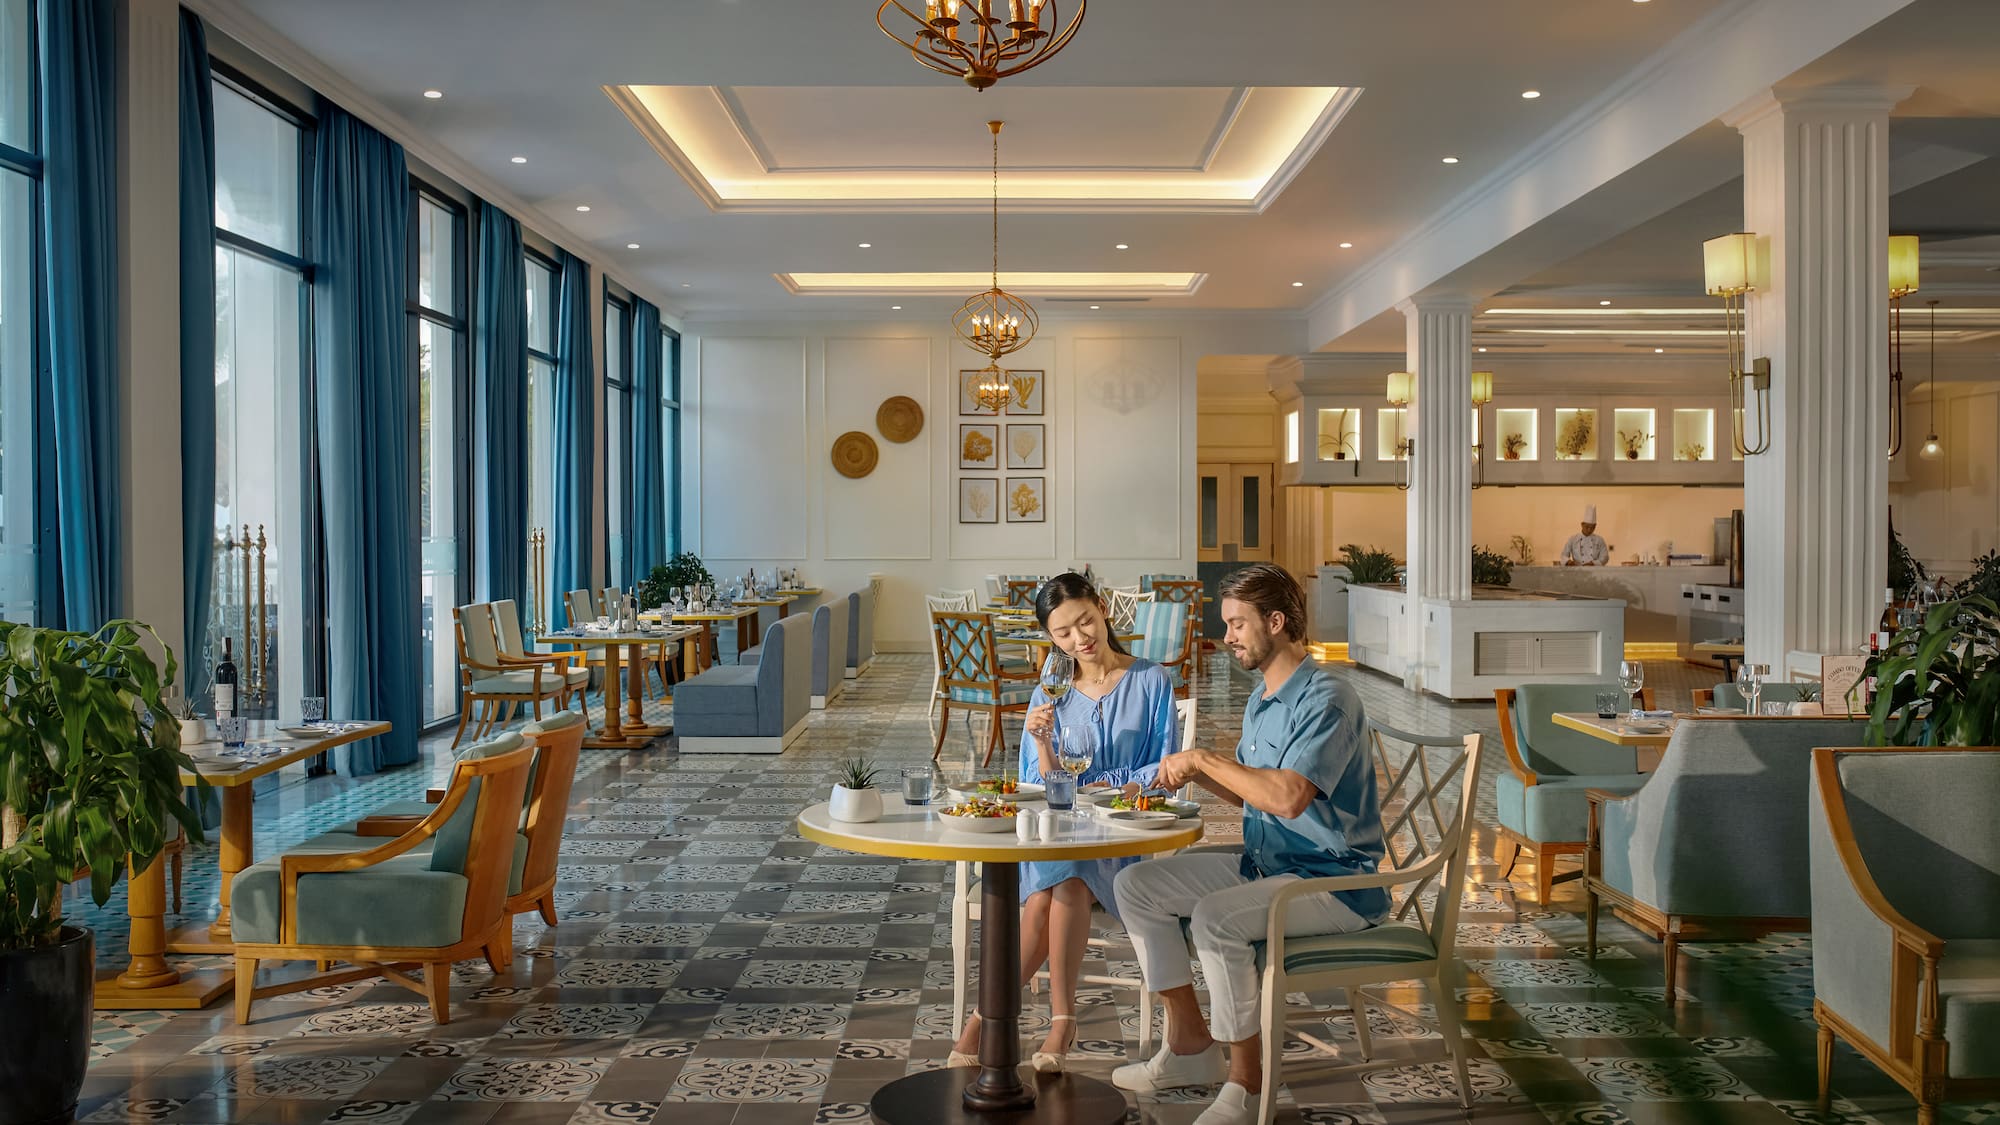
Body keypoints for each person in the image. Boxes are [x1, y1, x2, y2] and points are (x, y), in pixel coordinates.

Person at [1109, 563, 1384, 1125]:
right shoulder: (1263, 697)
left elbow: (1288, 799)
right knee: (1135, 885)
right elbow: (1253, 795)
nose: (1228, 635)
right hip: (1268, 866)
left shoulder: (1327, 698)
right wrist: (1194, 773)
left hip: (1334, 883)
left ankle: (1246, 1084)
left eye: (1237, 623)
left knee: (1215, 918)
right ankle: (1189, 1047)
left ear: (1275, 622)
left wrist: (1205, 757)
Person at [948, 573, 1179, 1074]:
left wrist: (1108, 788)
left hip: (1119, 835)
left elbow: (1164, 771)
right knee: (1053, 887)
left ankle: (988, 1020)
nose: (1080, 639)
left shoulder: (1151, 681)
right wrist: (1039, 743)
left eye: (1085, 622)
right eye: (1064, 633)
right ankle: (1058, 1020)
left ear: (1102, 608)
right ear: (1050, 638)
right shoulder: (1048, 692)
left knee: (1064, 883)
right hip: (1059, 832)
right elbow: (1042, 790)